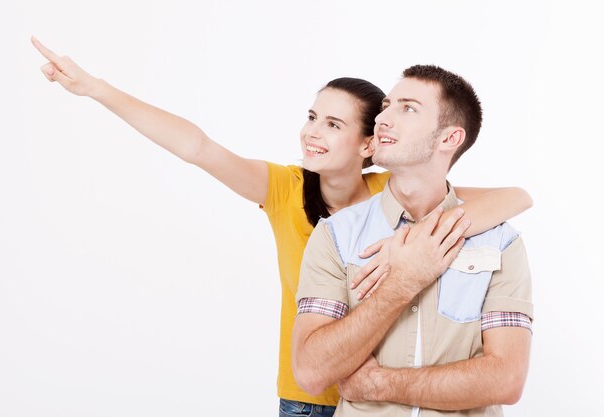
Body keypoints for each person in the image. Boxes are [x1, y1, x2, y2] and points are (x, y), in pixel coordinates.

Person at [31, 38, 533, 417]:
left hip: (391, 393)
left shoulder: (394, 188)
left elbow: (514, 199)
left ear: (368, 146)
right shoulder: (285, 189)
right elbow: (196, 146)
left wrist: (433, 242)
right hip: (311, 395)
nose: (312, 133)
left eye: (334, 125)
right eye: (312, 117)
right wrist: (94, 89)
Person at [292, 65, 533, 417]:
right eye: (387, 105)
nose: (383, 118)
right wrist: (403, 281)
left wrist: (379, 384)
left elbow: (506, 379)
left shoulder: (501, 243)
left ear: (449, 138)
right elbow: (312, 371)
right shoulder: (336, 235)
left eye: (407, 108)